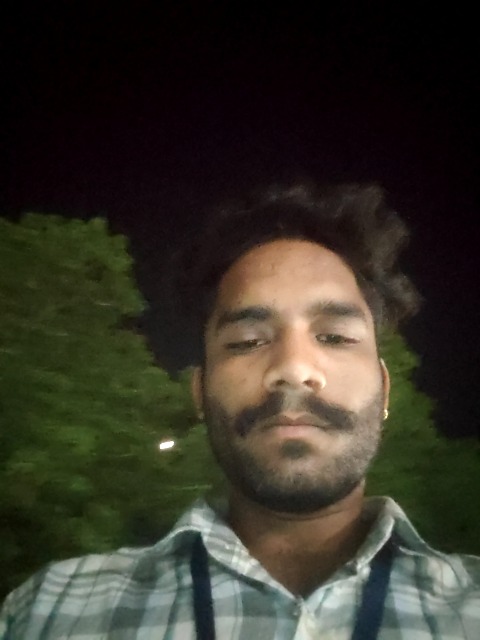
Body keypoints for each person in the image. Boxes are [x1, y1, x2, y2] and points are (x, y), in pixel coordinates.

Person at [1, 184, 479, 639]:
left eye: (334, 336)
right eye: (248, 341)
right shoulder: (49, 611)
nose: (293, 368)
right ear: (200, 392)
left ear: (385, 390)